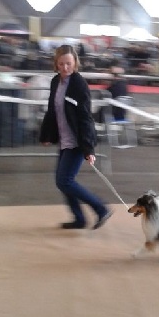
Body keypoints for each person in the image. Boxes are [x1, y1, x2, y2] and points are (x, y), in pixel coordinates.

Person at [39, 44, 113, 230]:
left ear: (75, 63)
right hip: (64, 140)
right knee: (63, 181)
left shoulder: (79, 84)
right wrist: (46, 134)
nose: (65, 68)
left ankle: (101, 209)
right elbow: (51, 111)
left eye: (69, 64)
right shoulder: (55, 82)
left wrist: (88, 149)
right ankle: (79, 219)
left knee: (64, 181)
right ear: (56, 64)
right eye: (61, 64)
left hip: (77, 142)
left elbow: (85, 117)